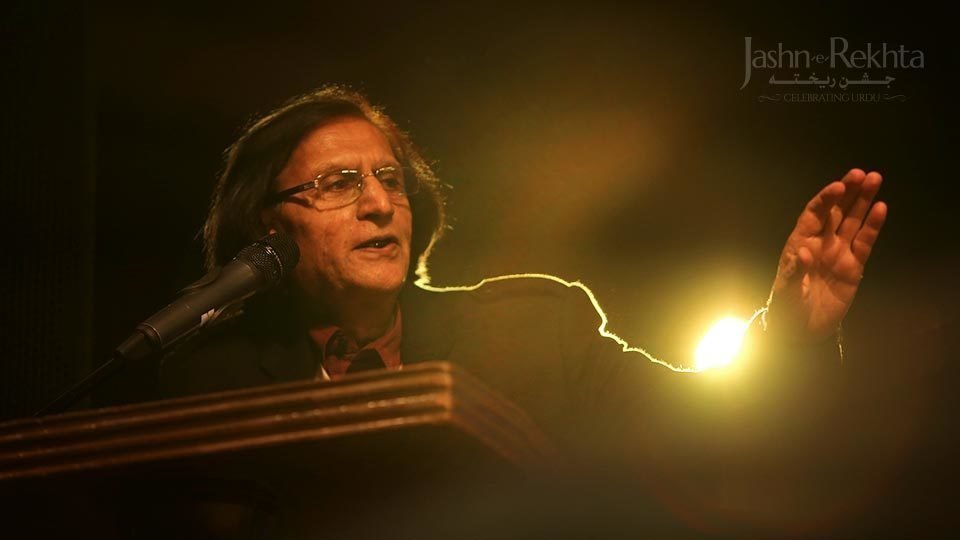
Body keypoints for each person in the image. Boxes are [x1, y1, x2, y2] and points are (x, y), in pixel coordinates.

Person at [158, 85, 887, 526]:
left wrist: (787, 335)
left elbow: (700, 427)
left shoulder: (534, 331)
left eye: (389, 178)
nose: (379, 202)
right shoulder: (211, 382)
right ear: (269, 226)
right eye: (340, 183)